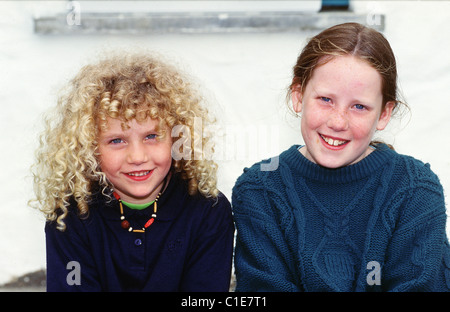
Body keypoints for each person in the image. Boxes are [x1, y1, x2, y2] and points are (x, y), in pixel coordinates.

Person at [232, 23, 450, 292]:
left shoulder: (416, 189)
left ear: (384, 113)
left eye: (359, 106)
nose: (338, 122)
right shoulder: (259, 188)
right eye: (325, 99)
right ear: (298, 96)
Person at [31, 51, 234, 291]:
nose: (137, 157)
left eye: (151, 136)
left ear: (179, 138)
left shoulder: (208, 211)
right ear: (89, 148)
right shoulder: (70, 217)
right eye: (117, 140)